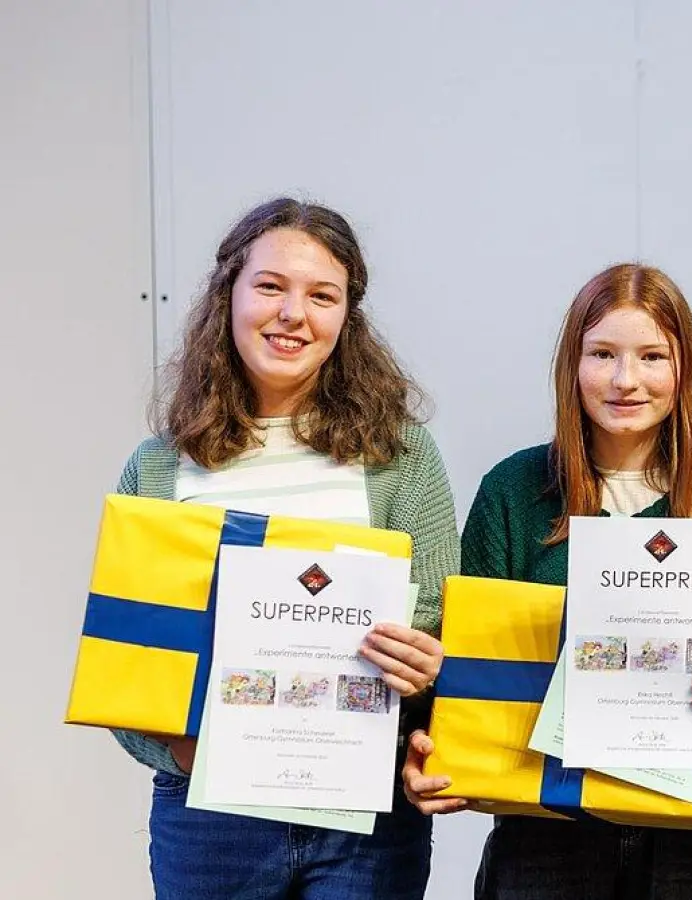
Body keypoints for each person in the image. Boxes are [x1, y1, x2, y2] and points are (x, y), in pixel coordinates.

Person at [402, 263, 692, 899]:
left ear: (684, 370)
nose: (625, 380)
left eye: (651, 357)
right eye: (603, 354)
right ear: (572, 365)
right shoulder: (514, 490)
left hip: (690, 848)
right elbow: (458, 657)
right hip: (544, 838)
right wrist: (425, 745)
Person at [111, 197, 461, 898]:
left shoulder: (401, 458)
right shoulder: (159, 467)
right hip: (210, 818)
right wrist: (178, 748)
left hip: (363, 820)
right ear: (229, 293)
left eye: (322, 295)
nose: (292, 313)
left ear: (346, 317)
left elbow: (443, 635)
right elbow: (125, 664)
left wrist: (430, 671)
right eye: (270, 286)